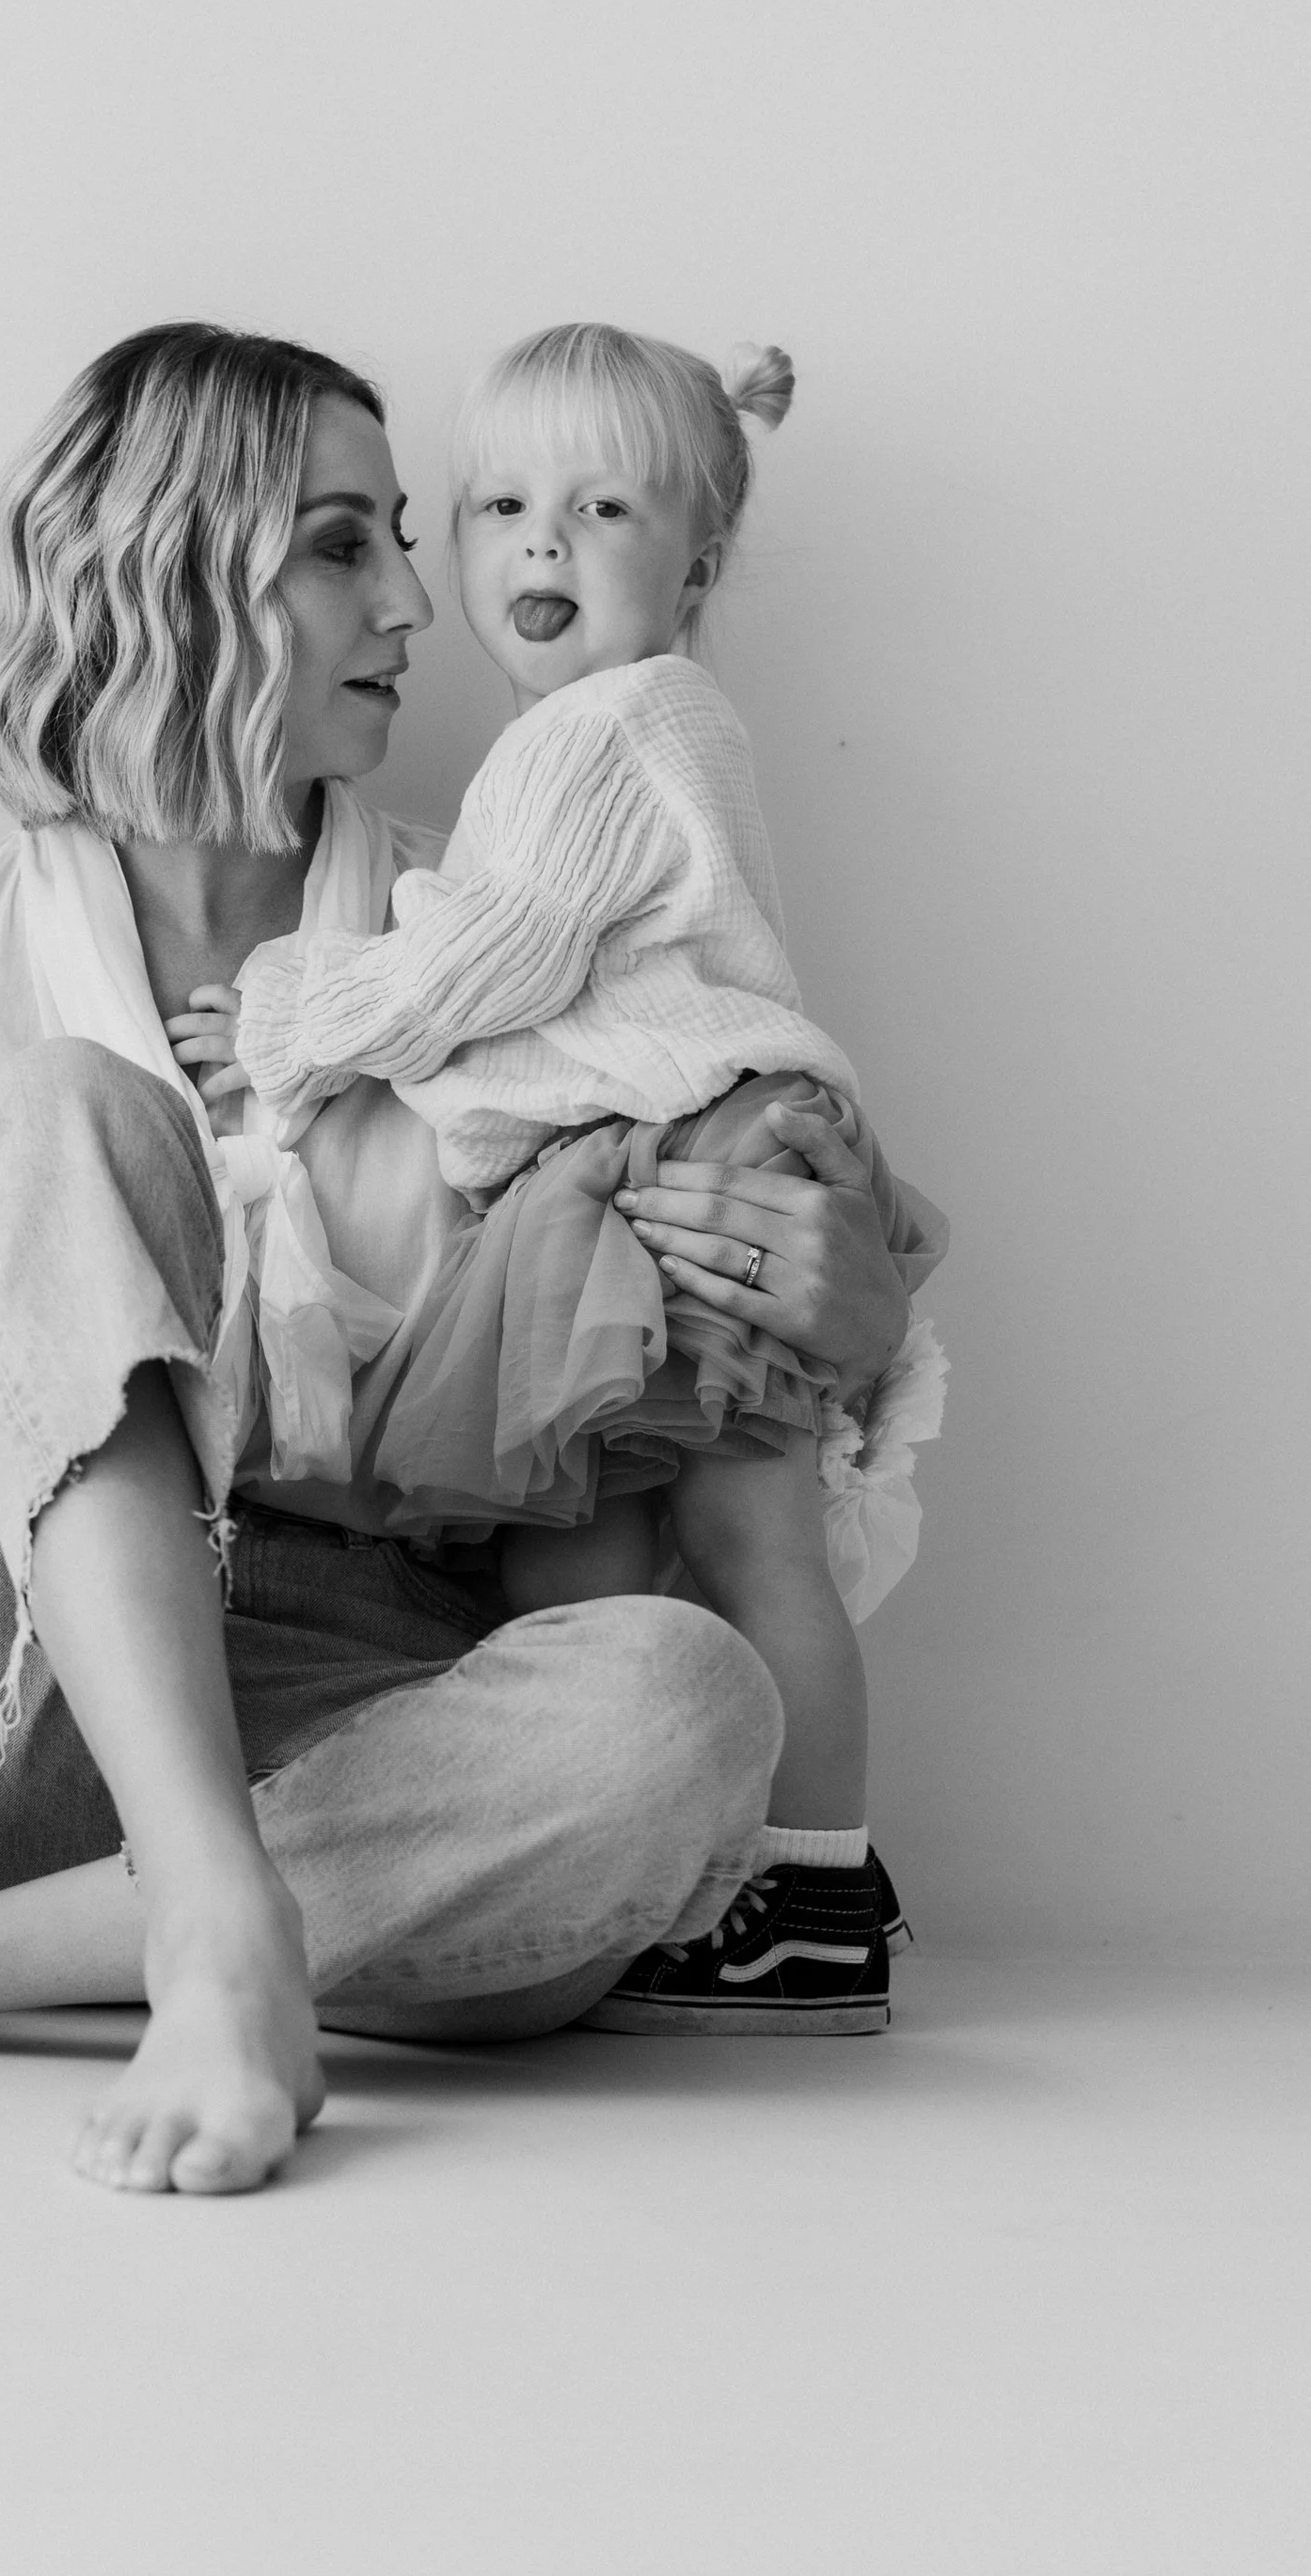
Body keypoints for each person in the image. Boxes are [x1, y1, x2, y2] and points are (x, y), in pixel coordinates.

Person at [0, 325, 920, 2191]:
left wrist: (838, 1334)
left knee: (686, 1704)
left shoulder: (485, 952)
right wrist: (32, 1307)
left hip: (365, 1728)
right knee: (70, 1112)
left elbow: (618, 1429)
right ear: (170, 573)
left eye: (405, 536)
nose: (417, 597)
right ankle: (230, 1922)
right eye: (340, 546)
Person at [203, 325, 948, 2033]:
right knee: (579, 1558)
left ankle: (817, 1889)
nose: (540, 545)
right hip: (630, 1166)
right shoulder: (617, 731)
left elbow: (500, 965)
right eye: (499, 505)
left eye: (601, 507)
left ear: (695, 562)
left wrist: (292, 1014)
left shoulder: (603, 728)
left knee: (743, 1536)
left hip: (675, 1162)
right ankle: (695, 1878)